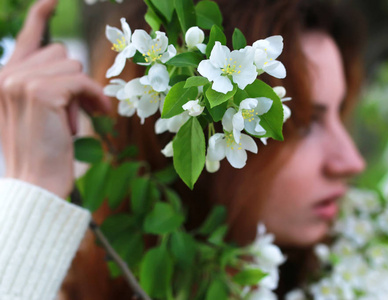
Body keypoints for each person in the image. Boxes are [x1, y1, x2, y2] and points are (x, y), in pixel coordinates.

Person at [0, 0, 366, 299]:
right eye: (301, 125)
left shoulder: (350, 277)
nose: (351, 161)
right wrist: (35, 191)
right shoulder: (56, 284)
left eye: (341, 112)